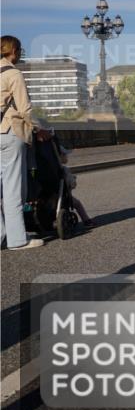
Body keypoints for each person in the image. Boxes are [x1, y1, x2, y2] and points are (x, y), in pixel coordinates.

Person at [1, 35, 48, 249]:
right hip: (9, 132)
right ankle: (18, 240)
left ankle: (2, 235)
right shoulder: (13, 74)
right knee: (12, 189)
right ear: (15, 51)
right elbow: (25, 109)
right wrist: (40, 128)